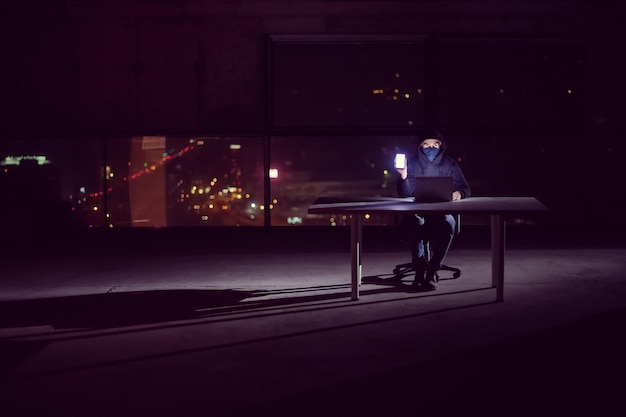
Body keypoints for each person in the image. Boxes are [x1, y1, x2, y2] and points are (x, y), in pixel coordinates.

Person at [396, 128, 471, 291]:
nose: (431, 148)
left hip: (442, 211)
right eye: (426, 144)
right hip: (418, 211)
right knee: (415, 221)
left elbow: (465, 188)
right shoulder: (413, 163)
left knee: (449, 223)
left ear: (441, 146)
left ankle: (432, 269)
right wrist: (403, 175)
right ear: (420, 146)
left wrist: (458, 193)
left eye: (435, 144)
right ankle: (419, 268)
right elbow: (404, 193)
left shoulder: (450, 163)